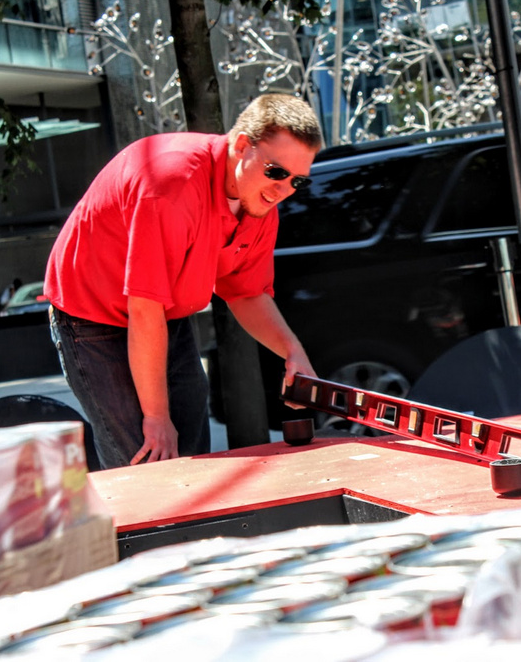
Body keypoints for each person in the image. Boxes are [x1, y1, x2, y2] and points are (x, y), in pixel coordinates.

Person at [45, 94, 322, 470]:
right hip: (94, 314)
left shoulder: (259, 203)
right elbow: (144, 309)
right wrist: (156, 416)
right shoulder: (171, 184)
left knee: (194, 459)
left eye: (297, 181)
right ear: (242, 146)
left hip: (165, 313)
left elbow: (246, 294)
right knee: (146, 460)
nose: (282, 190)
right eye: (275, 172)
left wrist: (292, 351)